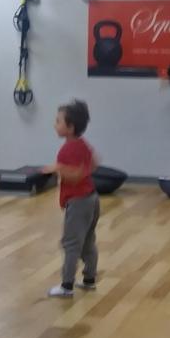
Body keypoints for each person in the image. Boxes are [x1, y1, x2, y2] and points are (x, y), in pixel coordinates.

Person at [45, 99, 99, 300]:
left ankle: (66, 285)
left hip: (79, 203)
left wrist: (57, 169)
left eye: (58, 121)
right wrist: (79, 171)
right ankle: (89, 279)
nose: (55, 124)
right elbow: (94, 163)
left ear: (70, 127)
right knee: (88, 242)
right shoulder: (83, 144)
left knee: (71, 243)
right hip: (92, 198)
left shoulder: (67, 150)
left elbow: (75, 176)